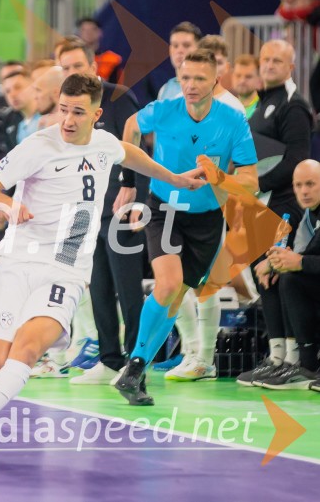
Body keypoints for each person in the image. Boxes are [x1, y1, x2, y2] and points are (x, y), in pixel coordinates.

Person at [0, 73, 205, 457]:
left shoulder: (104, 143)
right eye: (63, 109)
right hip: (17, 262)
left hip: (66, 269)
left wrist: (175, 179)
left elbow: (131, 154)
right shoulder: (39, 145)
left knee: (28, 350)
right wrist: (8, 204)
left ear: (96, 114)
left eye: (78, 112)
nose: (67, 119)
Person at [113, 49, 259, 406]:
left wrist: (219, 176)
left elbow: (251, 181)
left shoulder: (232, 120)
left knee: (176, 296)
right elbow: (131, 127)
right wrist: (128, 180)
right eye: (185, 78)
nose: (191, 85)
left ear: (215, 81)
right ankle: (134, 364)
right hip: (164, 209)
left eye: (199, 78)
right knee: (167, 284)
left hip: (207, 219)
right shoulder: (164, 110)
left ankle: (136, 371)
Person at [56, 36, 145, 386]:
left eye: (78, 66)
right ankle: (109, 360)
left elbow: (136, 147)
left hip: (122, 207)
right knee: (98, 288)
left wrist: (136, 195)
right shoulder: (67, 107)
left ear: (93, 67)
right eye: (65, 68)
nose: (72, 73)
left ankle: (136, 362)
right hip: (87, 211)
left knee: (128, 289)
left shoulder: (119, 96)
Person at [236, 39, 313, 386]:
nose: (268, 65)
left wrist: (256, 184)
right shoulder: (263, 102)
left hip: (283, 204)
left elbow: (296, 161)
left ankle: (295, 360)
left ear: (290, 67)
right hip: (260, 204)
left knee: (280, 275)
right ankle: (276, 355)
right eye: (265, 59)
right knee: (262, 276)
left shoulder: (293, 105)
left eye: (277, 61)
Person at [253, 159, 320, 390]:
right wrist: (278, 262)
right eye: (298, 185)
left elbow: (304, 260)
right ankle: (292, 361)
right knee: (278, 275)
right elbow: (303, 254)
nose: (304, 191)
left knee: (293, 274)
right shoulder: (308, 217)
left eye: (310, 184)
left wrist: (299, 262)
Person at [158, 21, 202, 101]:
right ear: (170, 50)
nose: (179, 51)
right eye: (175, 46)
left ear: (199, 50)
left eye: (186, 45)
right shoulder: (164, 90)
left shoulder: (208, 87)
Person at [76, 17, 124, 84]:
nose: (88, 33)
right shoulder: (74, 58)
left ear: (100, 32)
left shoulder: (113, 59)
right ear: (79, 34)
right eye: (84, 30)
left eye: (93, 29)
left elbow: (117, 85)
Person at [231, 54, 261, 119]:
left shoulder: (264, 107)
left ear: (259, 79)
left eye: (248, 77)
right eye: (238, 76)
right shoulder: (226, 106)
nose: (242, 81)